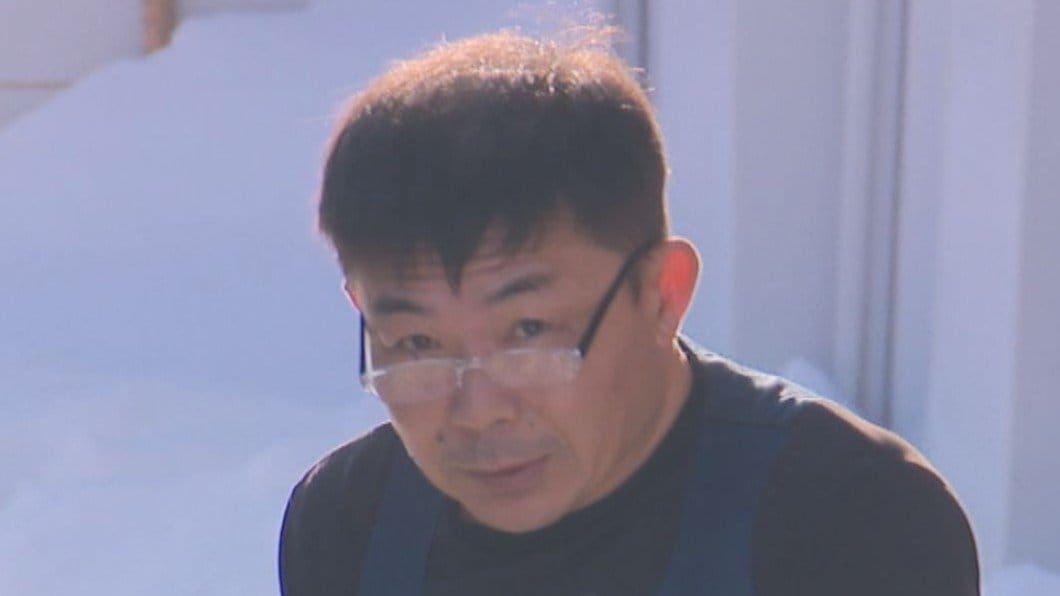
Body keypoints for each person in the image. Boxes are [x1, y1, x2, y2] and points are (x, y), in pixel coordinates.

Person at [278, 29, 979, 596]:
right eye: (417, 344)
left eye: (529, 333)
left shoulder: (853, 522)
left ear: (662, 294)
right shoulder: (348, 526)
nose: (478, 411)